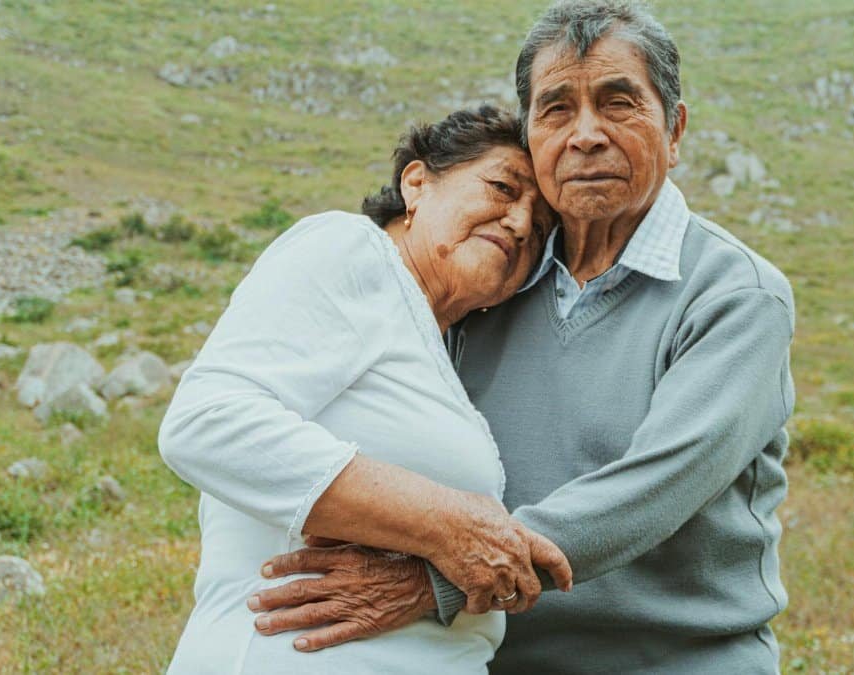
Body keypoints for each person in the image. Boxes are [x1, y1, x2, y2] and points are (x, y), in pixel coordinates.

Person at [255, 1, 797, 673]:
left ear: (675, 128)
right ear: (531, 134)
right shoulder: (492, 285)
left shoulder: (736, 294)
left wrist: (440, 580)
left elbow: (656, 487)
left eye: (618, 103)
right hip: (483, 659)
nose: (586, 135)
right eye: (556, 109)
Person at [157, 105, 573, 675]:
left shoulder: (442, 348)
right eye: (503, 188)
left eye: (542, 229)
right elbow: (207, 422)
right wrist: (449, 524)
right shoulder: (353, 251)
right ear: (417, 183)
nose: (521, 224)